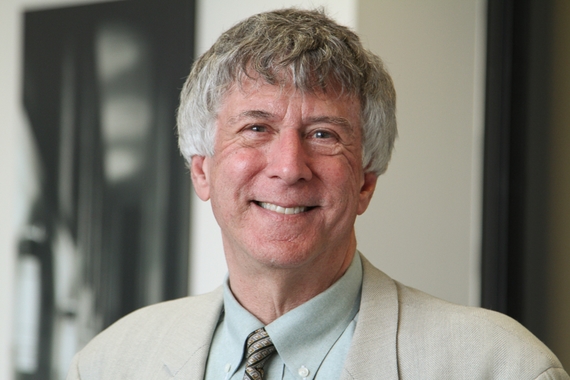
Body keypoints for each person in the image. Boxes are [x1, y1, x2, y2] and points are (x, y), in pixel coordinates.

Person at [67, 8, 568, 380]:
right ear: (202, 170)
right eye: (257, 128)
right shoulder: (109, 363)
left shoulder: (501, 367)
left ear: (366, 179)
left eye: (324, 134)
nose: (289, 168)